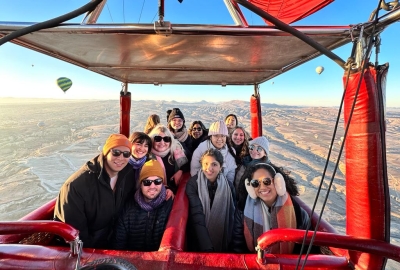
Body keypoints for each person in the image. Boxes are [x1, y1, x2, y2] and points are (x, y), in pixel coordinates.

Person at [54, 134, 133, 248]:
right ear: (106, 153)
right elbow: (76, 235)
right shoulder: (76, 186)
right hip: (88, 249)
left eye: (126, 154)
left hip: (113, 241)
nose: (121, 158)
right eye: (116, 152)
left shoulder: (126, 175)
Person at [232, 162, 309, 254]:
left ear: (277, 182)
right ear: (250, 187)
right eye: (255, 183)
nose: (263, 187)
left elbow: (303, 249)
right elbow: (238, 246)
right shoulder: (242, 212)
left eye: (267, 181)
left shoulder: (298, 213)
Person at [112, 160, 174, 251]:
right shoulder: (128, 208)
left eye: (157, 181)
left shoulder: (169, 205)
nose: (152, 186)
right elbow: (119, 243)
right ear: (140, 184)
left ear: (162, 183)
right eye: (147, 182)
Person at [186, 149, 235, 252]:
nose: (209, 168)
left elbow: (232, 214)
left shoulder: (228, 186)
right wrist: (207, 247)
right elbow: (197, 215)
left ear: (221, 167)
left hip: (222, 237)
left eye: (214, 164)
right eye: (206, 164)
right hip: (197, 237)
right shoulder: (193, 184)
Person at [149, 124, 189, 194]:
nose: (162, 142)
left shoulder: (177, 149)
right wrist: (167, 189)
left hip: (179, 190)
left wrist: (181, 170)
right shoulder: (147, 156)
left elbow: (193, 161)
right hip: (158, 193)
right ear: (152, 140)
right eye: (158, 139)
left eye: (166, 139)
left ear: (170, 141)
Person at [236, 136, 271, 210]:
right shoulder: (245, 162)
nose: (254, 151)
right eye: (252, 147)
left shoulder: (265, 169)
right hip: (238, 201)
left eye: (259, 148)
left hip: (253, 207)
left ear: (265, 153)